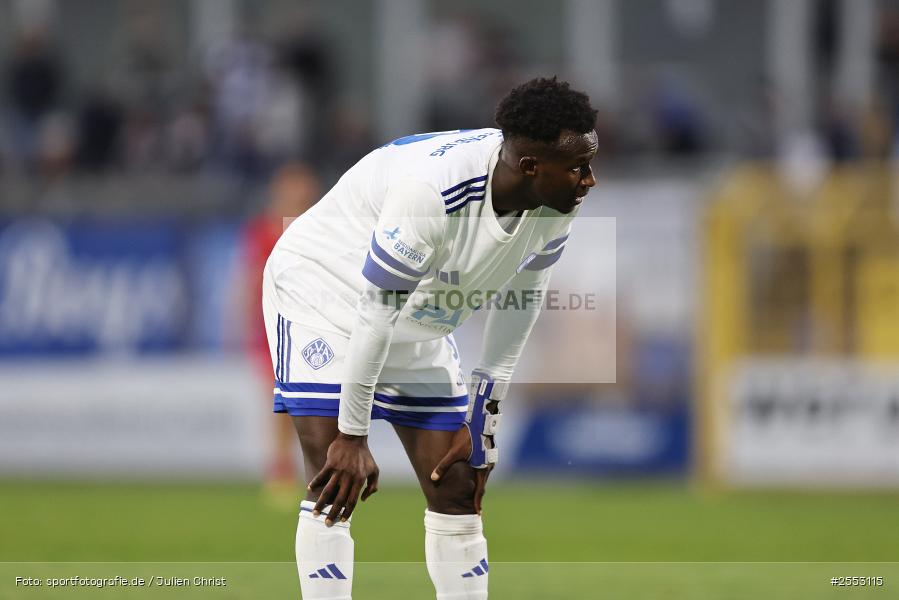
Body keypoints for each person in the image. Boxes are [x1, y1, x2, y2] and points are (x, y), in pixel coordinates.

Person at [263, 77, 598, 599]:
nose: (590, 179)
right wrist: (353, 435)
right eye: (579, 166)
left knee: (458, 485)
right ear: (531, 165)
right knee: (334, 475)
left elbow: (522, 300)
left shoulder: (556, 199)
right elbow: (375, 312)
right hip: (326, 292)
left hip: (419, 308)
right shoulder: (434, 192)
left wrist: (483, 423)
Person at [242, 163, 320, 499]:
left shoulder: (316, 227)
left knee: (305, 403)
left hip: (308, 323)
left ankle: (302, 471)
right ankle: (280, 470)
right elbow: (250, 278)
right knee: (280, 402)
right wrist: (247, 319)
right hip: (273, 325)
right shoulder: (263, 229)